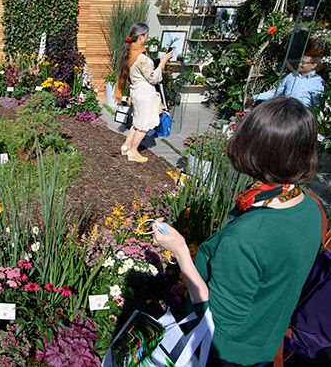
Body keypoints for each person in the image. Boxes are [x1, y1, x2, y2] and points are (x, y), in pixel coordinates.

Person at [153, 97, 321, 366]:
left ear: (252, 150)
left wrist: (180, 251)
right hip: (264, 341)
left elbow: (217, 322)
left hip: (227, 355)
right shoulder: (309, 208)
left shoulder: (246, 238)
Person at [115, 23, 173, 162]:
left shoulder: (129, 52)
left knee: (137, 122)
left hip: (136, 91)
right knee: (144, 124)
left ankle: (126, 146)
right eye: (146, 36)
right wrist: (163, 62)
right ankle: (133, 151)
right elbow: (153, 78)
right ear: (141, 37)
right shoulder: (141, 57)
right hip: (145, 93)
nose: (147, 39)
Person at [252, 44, 326, 107]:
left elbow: (317, 106)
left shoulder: (318, 83)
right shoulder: (291, 76)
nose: (300, 64)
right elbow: (276, 92)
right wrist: (255, 98)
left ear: (313, 65)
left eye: (303, 62)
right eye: (299, 61)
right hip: (285, 113)